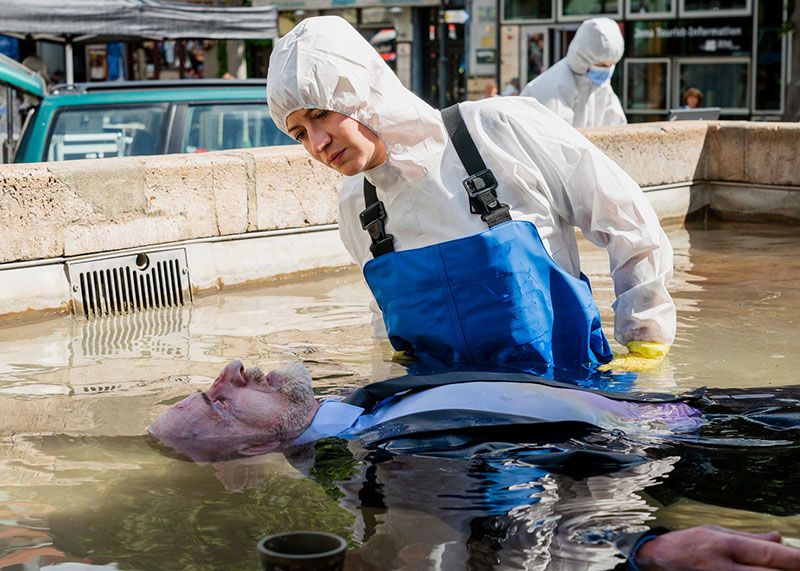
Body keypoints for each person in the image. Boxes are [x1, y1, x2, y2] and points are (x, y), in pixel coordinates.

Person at [266, 16, 673, 373]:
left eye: (320, 113)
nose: (317, 143)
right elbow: (386, 319)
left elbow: (625, 217)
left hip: (565, 406)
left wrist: (645, 338)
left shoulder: (496, 129)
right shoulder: (357, 206)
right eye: (299, 132)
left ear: (361, 93)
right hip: (450, 429)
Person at [148, 359, 800, 571]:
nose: (230, 371)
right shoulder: (372, 463)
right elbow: (511, 534)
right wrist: (644, 552)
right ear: (250, 450)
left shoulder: (360, 411)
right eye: (218, 399)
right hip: (740, 444)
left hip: (710, 411)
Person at [520, 18, 626, 128]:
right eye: (602, 65)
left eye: (611, 65)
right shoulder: (552, 88)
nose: (607, 71)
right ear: (583, 60)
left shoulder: (600, 85)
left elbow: (616, 125)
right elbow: (555, 139)